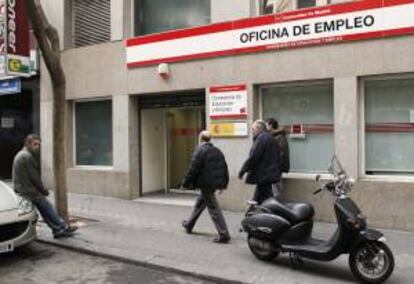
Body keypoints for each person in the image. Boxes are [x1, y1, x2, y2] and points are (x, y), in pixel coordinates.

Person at [12, 134, 78, 238]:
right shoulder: (27, 156)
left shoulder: (21, 154)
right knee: (48, 208)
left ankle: (57, 229)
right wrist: (43, 190)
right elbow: (35, 178)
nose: (37, 147)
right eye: (35, 144)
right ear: (28, 144)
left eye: (38, 145)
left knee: (44, 210)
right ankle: (62, 227)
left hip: (23, 190)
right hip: (28, 191)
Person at [181, 131, 231, 244]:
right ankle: (189, 224)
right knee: (199, 204)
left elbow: (193, 169)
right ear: (209, 139)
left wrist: (185, 183)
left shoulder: (200, 151)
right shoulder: (217, 151)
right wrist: (223, 184)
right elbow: (224, 168)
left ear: (200, 139)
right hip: (212, 184)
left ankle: (224, 234)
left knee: (214, 209)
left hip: (206, 184)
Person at [239, 120, 280, 204]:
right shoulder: (271, 138)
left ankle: (271, 214)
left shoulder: (261, 139)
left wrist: (243, 170)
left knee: (267, 200)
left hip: (263, 174)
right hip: (268, 174)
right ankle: (256, 212)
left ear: (258, 128)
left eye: (253, 129)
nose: (252, 131)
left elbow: (253, 157)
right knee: (259, 198)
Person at [265, 118, 290, 197]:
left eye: (266, 124)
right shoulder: (273, 136)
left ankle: (278, 206)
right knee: (273, 189)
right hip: (272, 167)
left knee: (276, 190)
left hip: (276, 168)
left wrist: (276, 167)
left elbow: (282, 154)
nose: (265, 127)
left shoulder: (279, 137)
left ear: (270, 125)